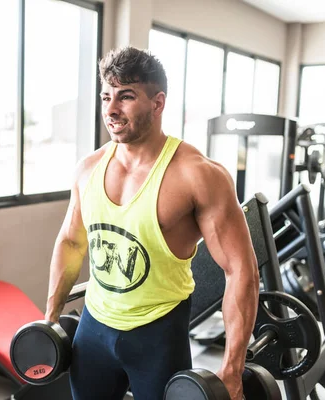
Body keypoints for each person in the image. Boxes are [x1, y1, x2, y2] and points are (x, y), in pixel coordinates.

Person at [44, 46, 260, 400]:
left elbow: (241, 270)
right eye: (106, 97)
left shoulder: (198, 175)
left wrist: (233, 369)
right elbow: (71, 242)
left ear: (157, 103)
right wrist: (50, 317)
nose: (111, 110)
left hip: (158, 334)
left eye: (125, 97)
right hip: (93, 328)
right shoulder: (88, 169)